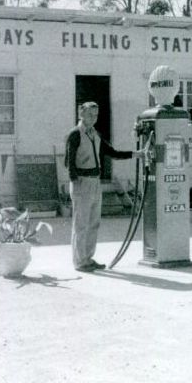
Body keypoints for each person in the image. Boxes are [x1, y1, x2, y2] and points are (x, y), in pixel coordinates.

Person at [64, 101, 133, 272]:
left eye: (95, 115)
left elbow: (112, 153)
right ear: (81, 114)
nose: (93, 118)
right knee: (81, 224)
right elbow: (69, 161)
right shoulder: (75, 134)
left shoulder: (95, 135)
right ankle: (80, 262)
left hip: (95, 181)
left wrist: (136, 154)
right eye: (89, 115)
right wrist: (75, 181)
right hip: (82, 181)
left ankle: (88, 258)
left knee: (93, 222)